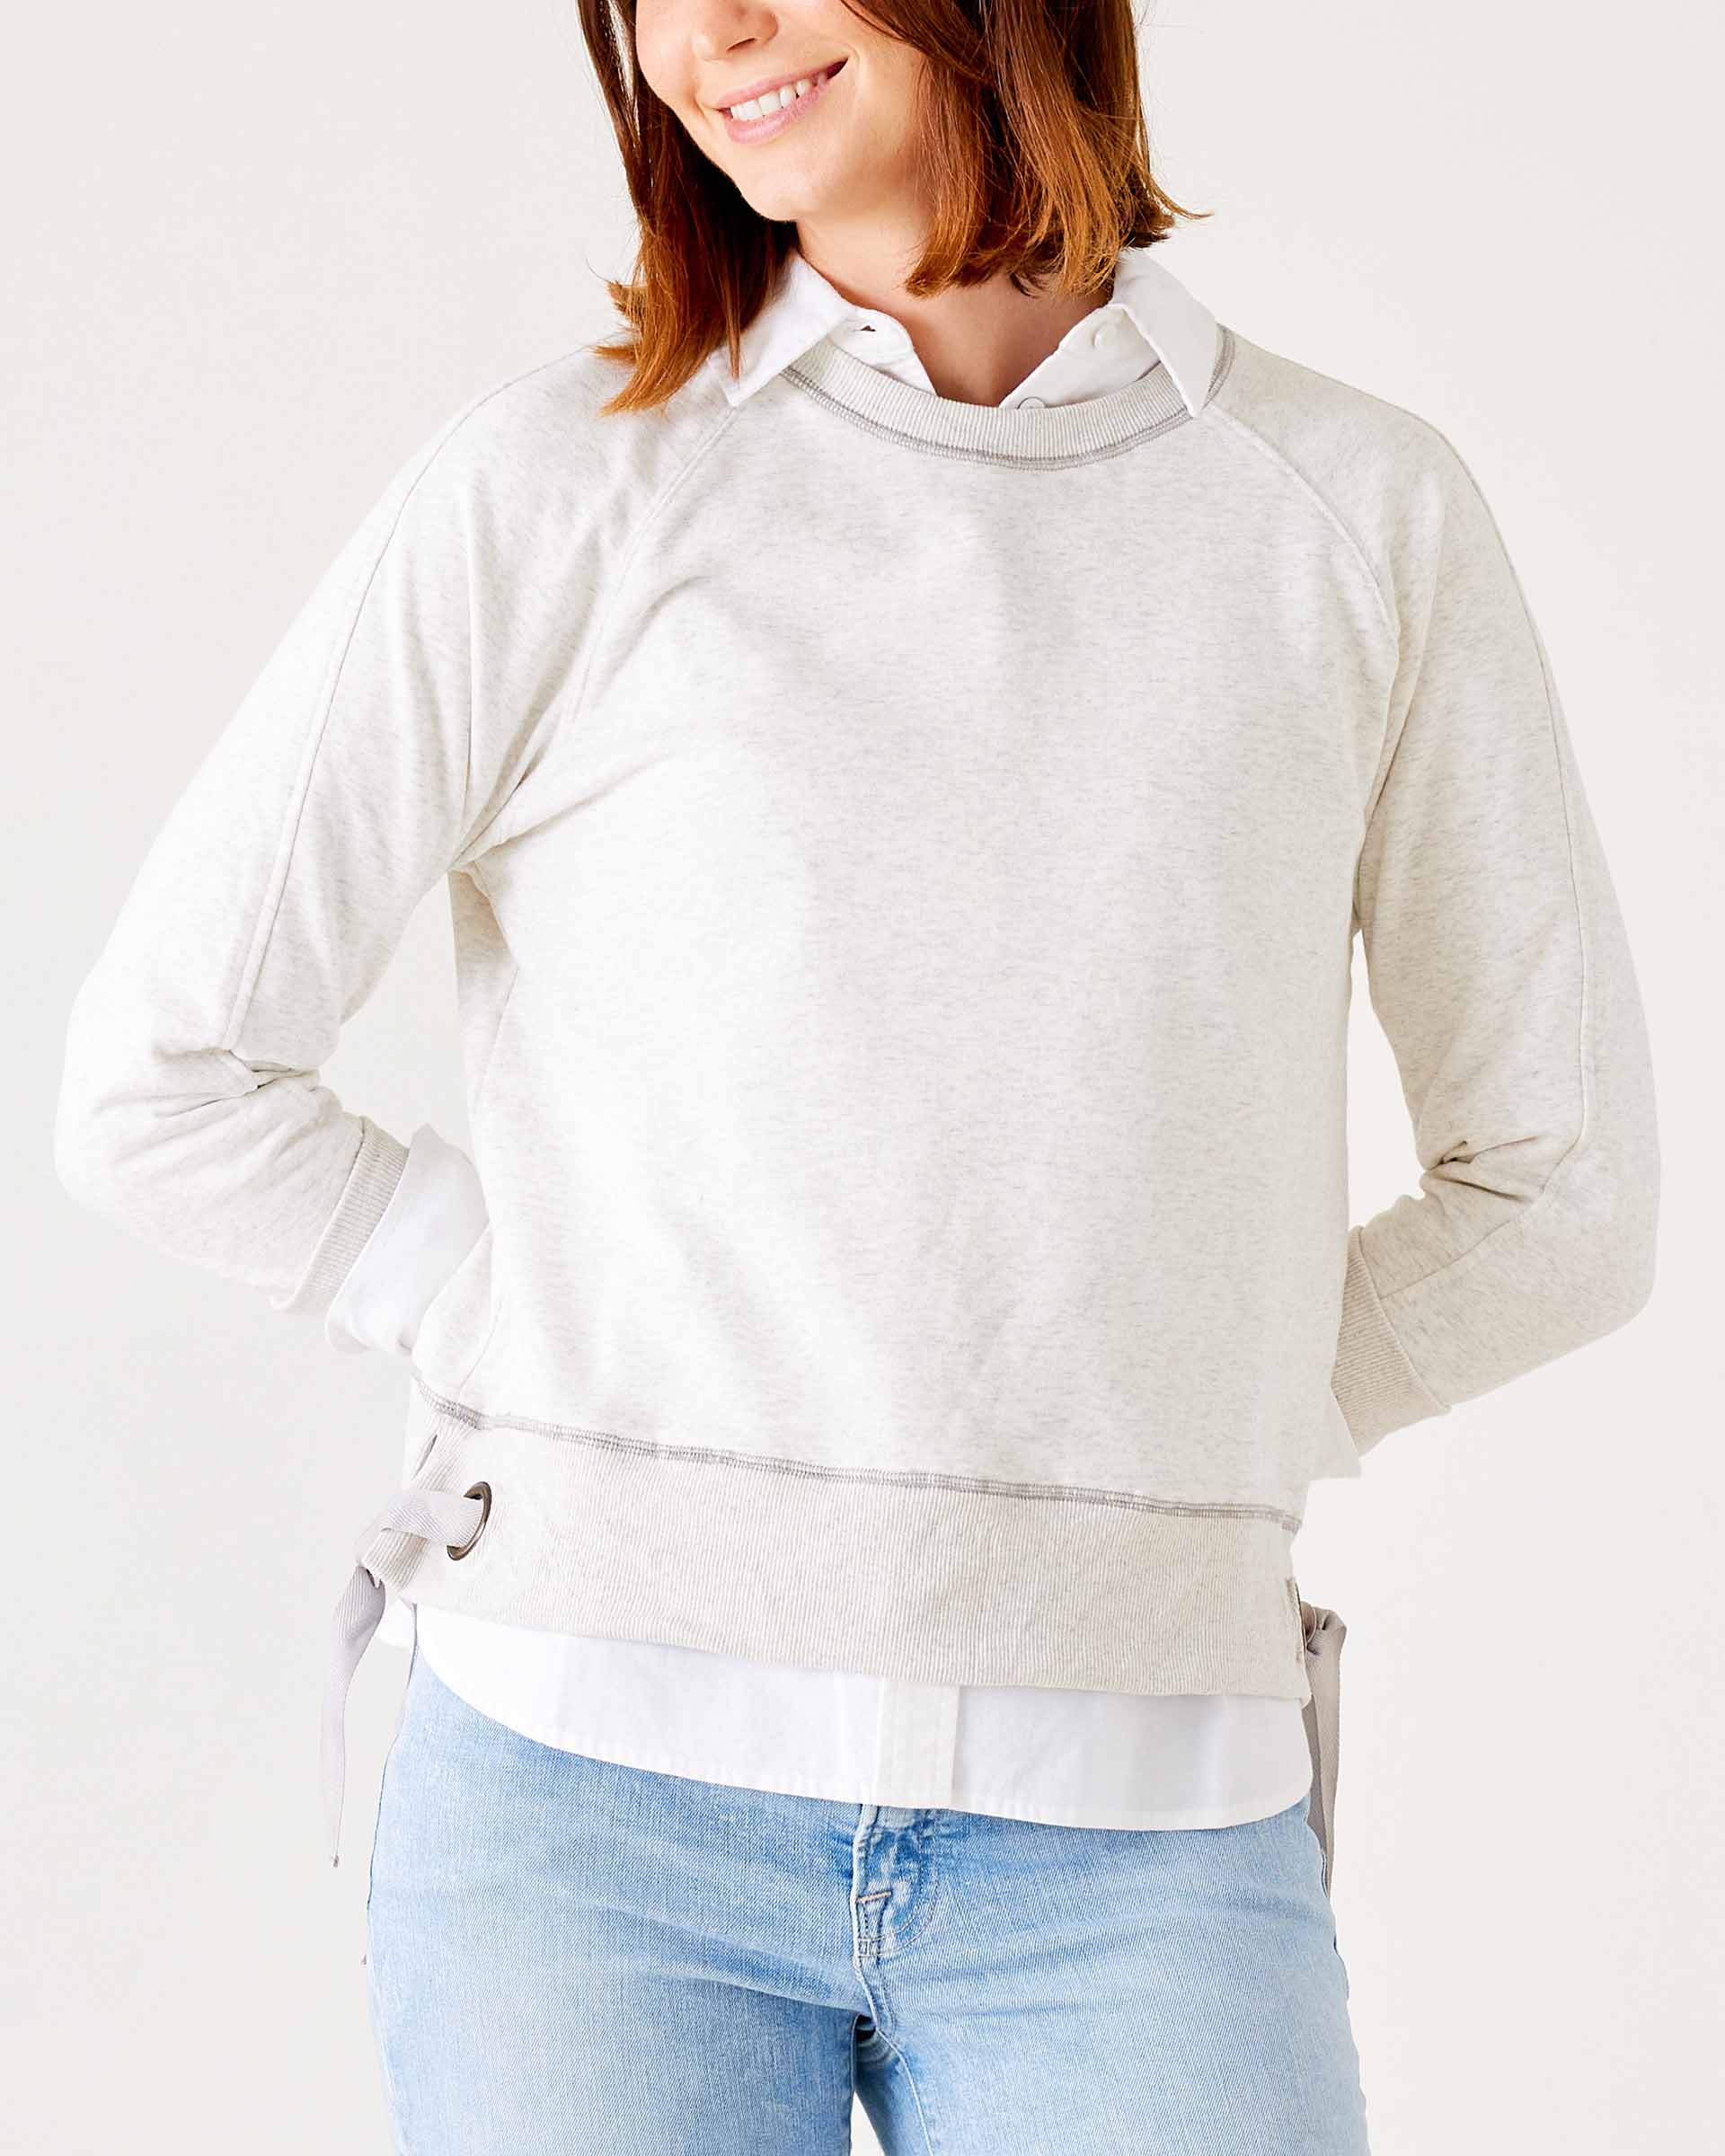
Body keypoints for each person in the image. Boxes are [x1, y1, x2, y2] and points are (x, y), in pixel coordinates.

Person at [53, 0, 1660, 2145]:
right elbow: (161, 1075)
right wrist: (520, 1317)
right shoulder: (565, 487)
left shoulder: (1352, 516)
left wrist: (1187, 1409)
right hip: (589, 1823)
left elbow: (1561, 1192)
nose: (706, 34)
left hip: (1144, 1844)